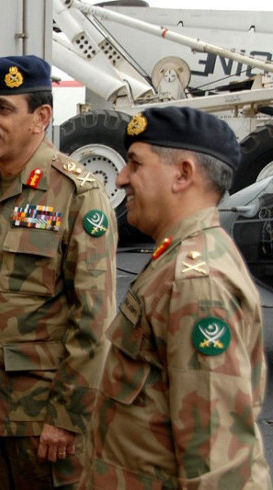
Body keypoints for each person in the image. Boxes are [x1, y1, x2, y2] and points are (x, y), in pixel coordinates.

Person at [0, 55, 117, 489]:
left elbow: (93, 320)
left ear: (42, 117)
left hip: (40, 421)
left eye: (2, 108)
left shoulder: (77, 194)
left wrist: (68, 418)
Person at [81, 107, 272, 488]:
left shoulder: (196, 283)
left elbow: (218, 467)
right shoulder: (178, 260)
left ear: (183, 174)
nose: (120, 178)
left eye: (135, 164)